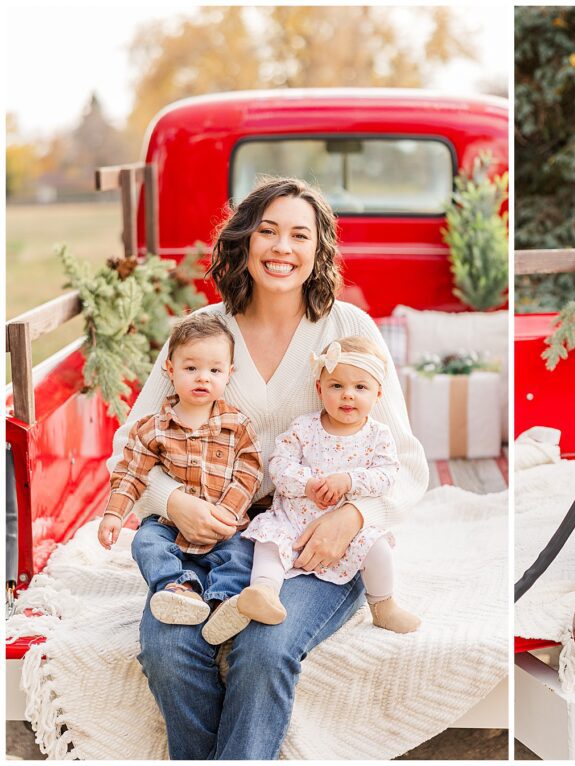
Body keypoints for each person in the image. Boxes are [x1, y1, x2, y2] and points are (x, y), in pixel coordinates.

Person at [106, 177, 428, 759]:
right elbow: (130, 444)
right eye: (268, 231)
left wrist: (353, 517)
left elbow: (402, 462)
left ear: (319, 249)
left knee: (263, 647)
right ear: (244, 242)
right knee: (168, 646)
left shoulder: (348, 329)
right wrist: (173, 503)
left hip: (309, 533)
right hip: (207, 533)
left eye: (299, 235)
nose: (282, 248)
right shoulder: (203, 332)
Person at [98, 313, 262, 646]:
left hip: (223, 527)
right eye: (191, 369)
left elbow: (250, 470)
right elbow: (131, 471)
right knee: (145, 541)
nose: (203, 378)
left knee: (244, 553)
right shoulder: (153, 428)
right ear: (170, 370)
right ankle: (177, 589)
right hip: (170, 525)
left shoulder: (238, 425)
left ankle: (223, 604)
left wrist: (228, 513)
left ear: (229, 374)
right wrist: (114, 513)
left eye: (214, 370)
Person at [238, 335, 420, 635]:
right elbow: (279, 464)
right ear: (320, 389)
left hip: (347, 529)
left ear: (377, 394)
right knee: (268, 541)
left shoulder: (378, 436)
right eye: (337, 386)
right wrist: (307, 484)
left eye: (360, 387)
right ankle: (264, 591)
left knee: (377, 549)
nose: (348, 395)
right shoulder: (304, 427)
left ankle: (383, 605)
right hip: (293, 520)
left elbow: (387, 475)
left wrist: (349, 480)